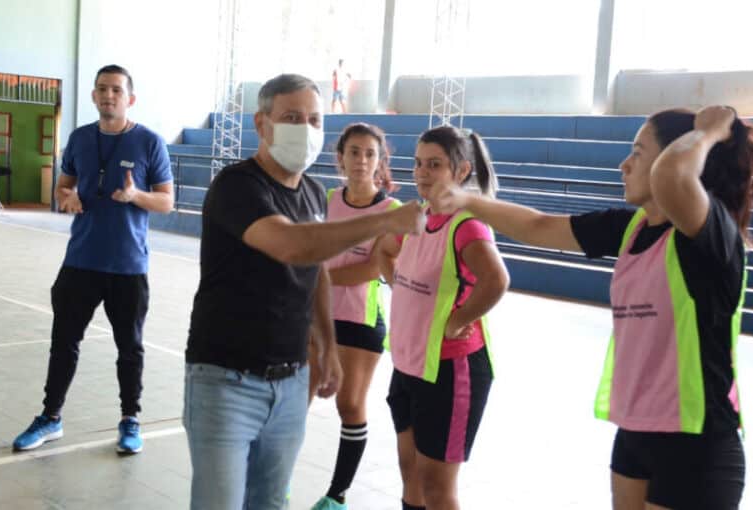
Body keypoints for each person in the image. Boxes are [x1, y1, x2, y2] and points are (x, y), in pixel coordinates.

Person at [429, 106, 753, 510]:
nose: (624, 164)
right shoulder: (631, 228)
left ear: (678, 155)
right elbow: (537, 226)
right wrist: (468, 200)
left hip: (697, 443)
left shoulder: (710, 237)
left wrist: (709, 131)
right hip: (636, 431)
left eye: (638, 152)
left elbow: (673, 177)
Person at [183, 73, 424, 510]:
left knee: (270, 501)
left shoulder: (312, 192)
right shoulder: (238, 185)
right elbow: (293, 245)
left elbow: (316, 272)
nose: (306, 128)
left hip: (290, 382)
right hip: (226, 380)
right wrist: (386, 220)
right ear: (262, 124)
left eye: (314, 120)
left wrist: (327, 344)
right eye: (292, 118)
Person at [12, 64, 174, 454]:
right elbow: (63, 187)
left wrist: (136, 196)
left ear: (130, 98)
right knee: (63, 342)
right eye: (102, 89)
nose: (109, 95)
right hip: (81, 261)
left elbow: (167, 201)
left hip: (128, 266)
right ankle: (51, 417)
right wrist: (66, 197)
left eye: (116, 90)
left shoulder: (150, 143)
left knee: (129, 348)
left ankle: (130, 420)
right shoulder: (80, 139)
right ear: (93, 95)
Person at [376, 126, 509, 510]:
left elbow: (496, 280)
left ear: (461, 170)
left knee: (436, 486)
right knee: (410, 471)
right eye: (418, 163)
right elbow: (384, 251)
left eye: (434, 165)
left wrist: (457, 320)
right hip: (410, 363)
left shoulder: (467, 225)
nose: (422, 172)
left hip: (451, 369)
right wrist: (399, 284)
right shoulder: (418, 216)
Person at [309, 123, 401, 510]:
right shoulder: (325, 199)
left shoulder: (391, 211)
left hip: (361, 321)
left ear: (380, 161)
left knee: (349, 404)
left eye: (369, 153)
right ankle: (275, 481)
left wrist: (321, 278)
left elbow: (372, 268)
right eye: (354, 152)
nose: (361, 160)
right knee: (295, 401)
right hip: (315, 316)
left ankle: (337, 495)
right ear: (340, 158)